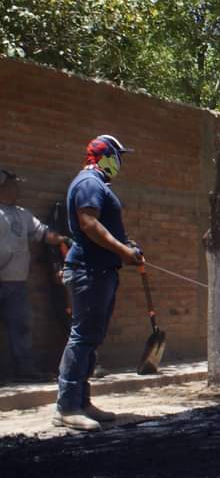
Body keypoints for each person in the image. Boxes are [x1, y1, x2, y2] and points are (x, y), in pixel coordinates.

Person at [54, 135, 144, 431]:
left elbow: (103, 227)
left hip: (100, 271)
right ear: (106, 156)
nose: (121, 162)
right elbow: (89, 225)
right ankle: (67, 407)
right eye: (119, 156)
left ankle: (82, 401)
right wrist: (124, 252)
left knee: (91, 338)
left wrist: (128, 247)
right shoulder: (89, 184)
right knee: (82, 338)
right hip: (88, 271)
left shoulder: (97, 184)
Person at [0, 168, 68, 382]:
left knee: (20, 327)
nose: (16, 188)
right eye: (12, 184)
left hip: (16, 282)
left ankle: (24, 370)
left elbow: (43, 233)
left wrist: (62, 239)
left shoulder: (22, 214)